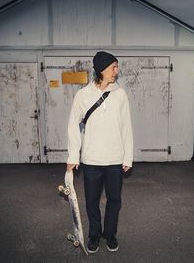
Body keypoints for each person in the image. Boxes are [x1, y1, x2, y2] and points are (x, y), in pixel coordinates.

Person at [66, 51, 133, 253]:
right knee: (92, 202)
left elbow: (126, 127)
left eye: (116, 67)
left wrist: (127, 156)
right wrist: (72, 157)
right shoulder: (83, 95)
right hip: (92, 160)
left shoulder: (120, 94)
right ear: (102, 69)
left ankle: (110, 234)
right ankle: (94, 235)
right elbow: (72, 125)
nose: (116, 71)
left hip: (114, 159)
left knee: (114, 201)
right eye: (114, 67)